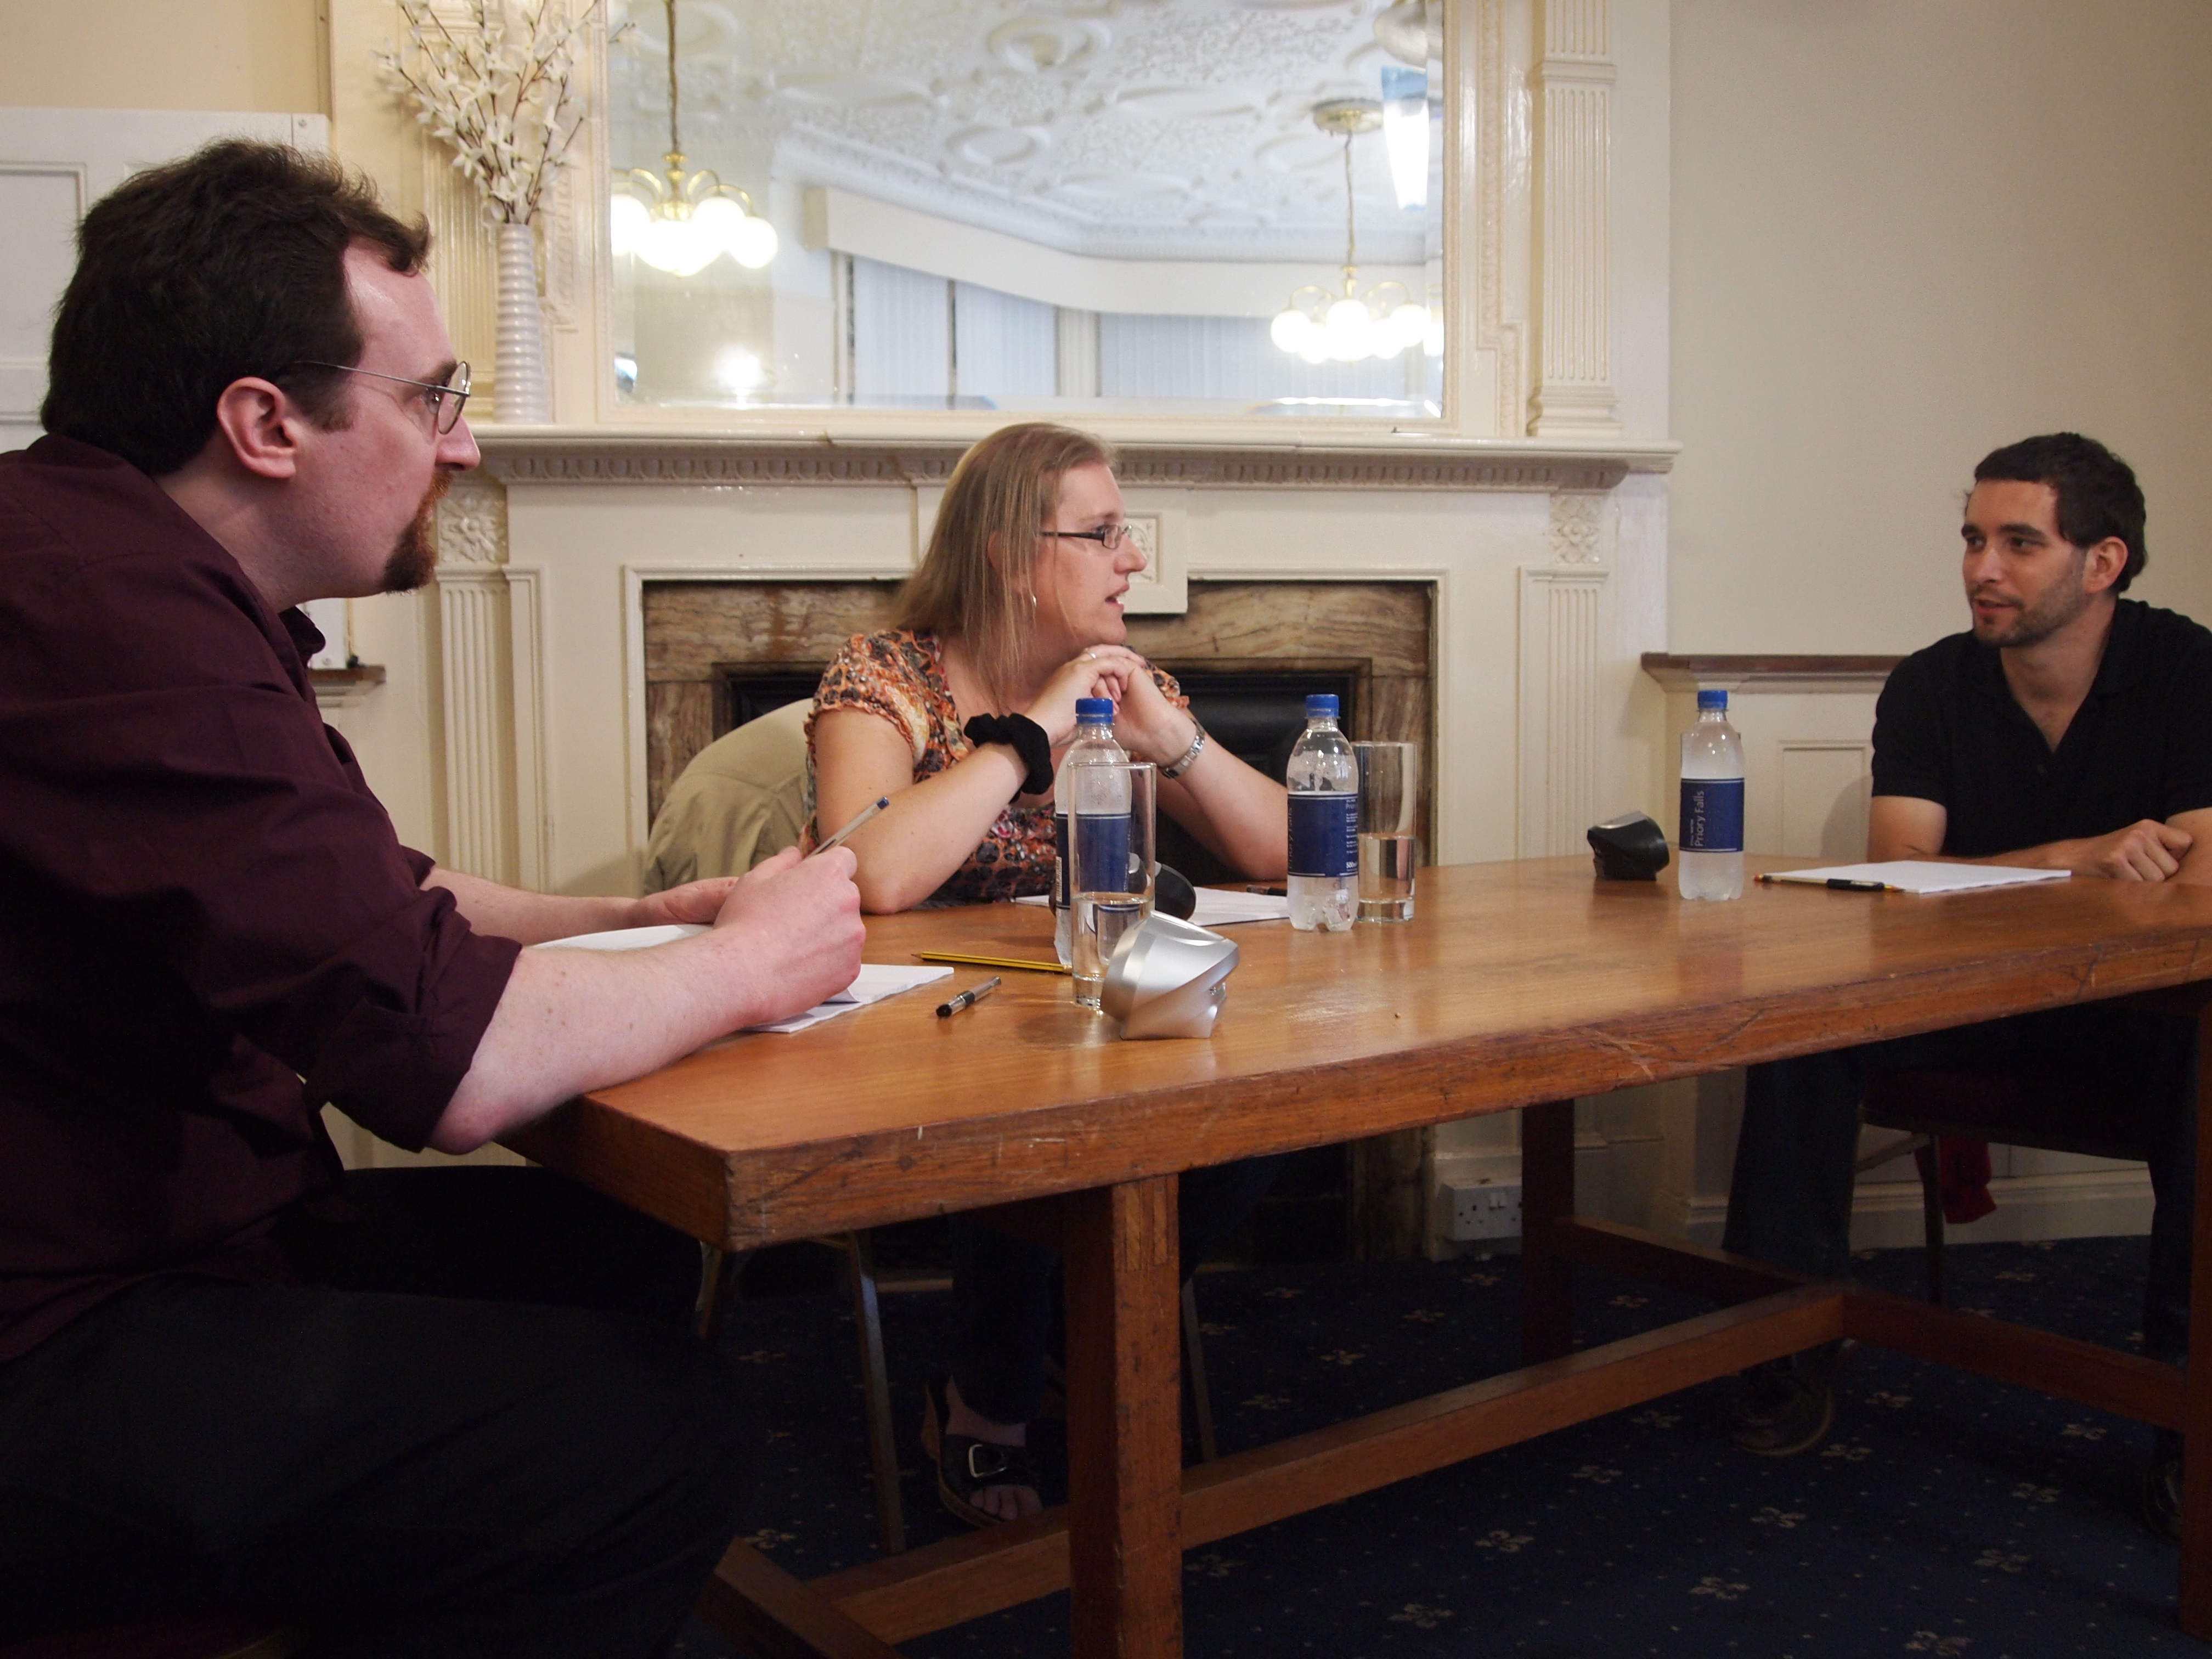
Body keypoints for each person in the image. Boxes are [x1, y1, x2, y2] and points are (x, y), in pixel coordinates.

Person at [0, 141, 865, 1657]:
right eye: (433, 398)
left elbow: (370, 898)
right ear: (267, 423)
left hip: (174, 1235)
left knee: (617, 1250)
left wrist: (650, 923)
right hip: (57, 1334)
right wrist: (751, 963)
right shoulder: (96, 607)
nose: (462, 449)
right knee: (654, 1433)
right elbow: (445, 1063)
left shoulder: (121, 569)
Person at [1719, 433, 2212, 1539]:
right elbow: (1900, 873)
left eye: (2020, 543)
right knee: (1805, 1020)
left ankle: (2189, 1405)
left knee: (2210, 1057)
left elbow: (2202, 886)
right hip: (1967, 1004)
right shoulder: (1933, 681)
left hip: (2135, 1015)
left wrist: (1992, 876)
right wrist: (2075, 859)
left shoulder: (2190, 671)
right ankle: (1779, 1343)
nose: (1983, 569)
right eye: (1974, 539)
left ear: (2104, 562)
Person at [807, 421, 1288, 1525]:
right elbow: (877, 872)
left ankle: (1078, 1324)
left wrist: (1174, 742)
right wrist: (1031, 731)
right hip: (914, 1026)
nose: (1136, 559)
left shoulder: (1121, 686)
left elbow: (1287, 855)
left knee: (1263, 1072)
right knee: (1030, 1088)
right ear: (1011, 555)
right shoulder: (886, 675)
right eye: (1104, 533)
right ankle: (990, 1398)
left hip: (1079, 1001)